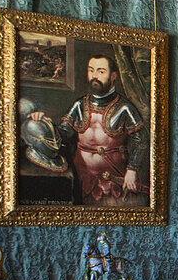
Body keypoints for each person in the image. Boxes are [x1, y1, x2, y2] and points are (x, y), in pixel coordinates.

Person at [29, 54, 148, 206]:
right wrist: (45, 124)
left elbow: (141, 139)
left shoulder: (125, 107)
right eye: (91, 71)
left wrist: (132, 170)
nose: (95, 76)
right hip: (82, 178)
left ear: (113, 76)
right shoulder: (79, 105)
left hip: (114, 179)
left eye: (101, 71)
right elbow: (63, 134)